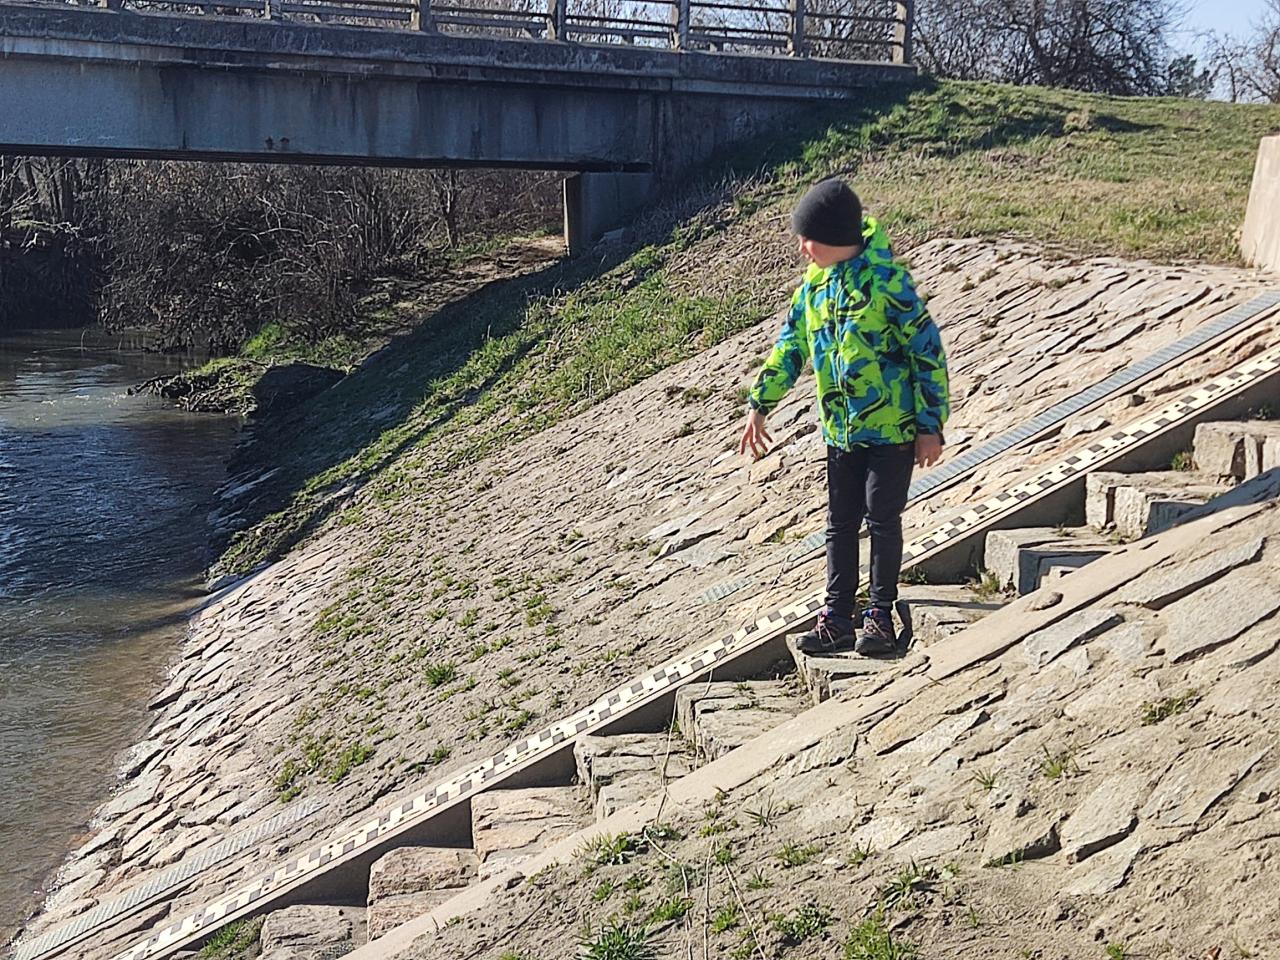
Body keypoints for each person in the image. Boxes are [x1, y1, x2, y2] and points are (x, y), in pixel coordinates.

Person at [738, 178, 950, 656]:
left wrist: (929, 425)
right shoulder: (812, 290)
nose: (801, 247)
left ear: (833, 237)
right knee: (839, 523)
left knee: (882, 518)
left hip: (892, 430)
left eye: (807, 238)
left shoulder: (888, 284)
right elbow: (790, 348)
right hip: (840, 433)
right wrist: (760, 403)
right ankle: (836, 617)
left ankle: (879, 614)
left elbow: (927, 354)